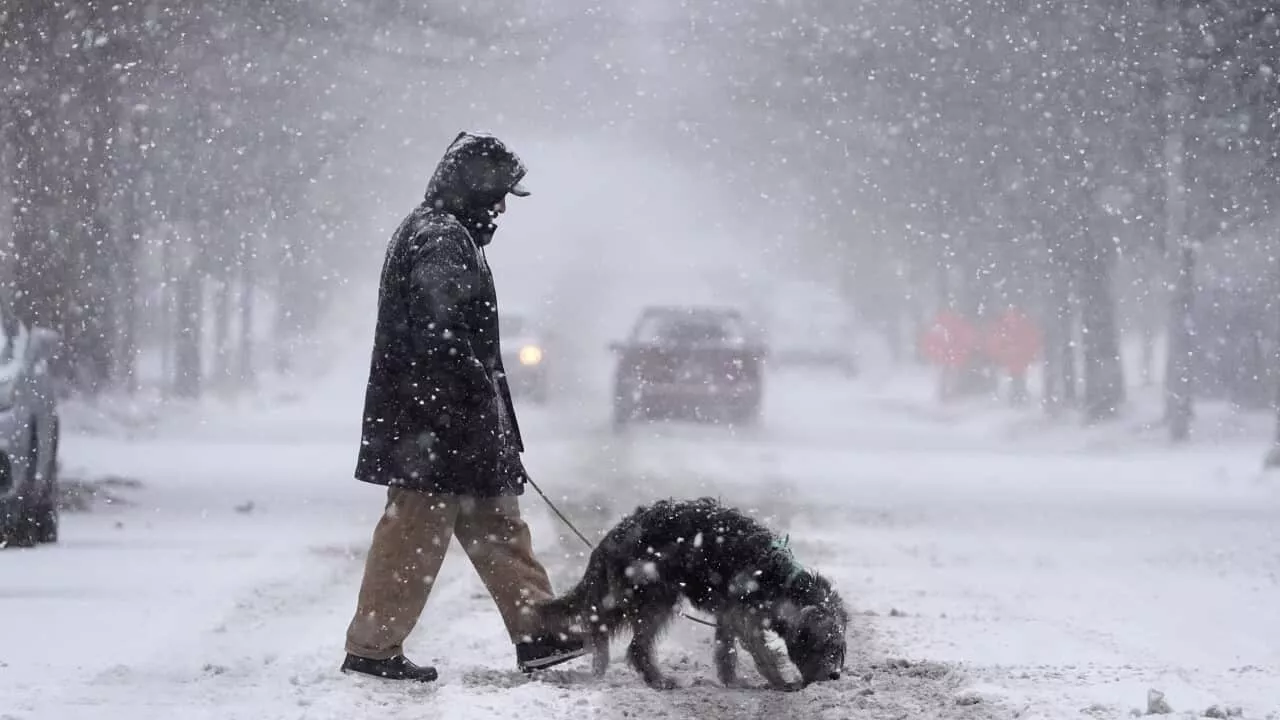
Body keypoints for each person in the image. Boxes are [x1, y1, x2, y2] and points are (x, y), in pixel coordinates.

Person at [341, 132, 587, 682]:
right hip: (433, 424)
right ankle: (373, 648)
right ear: (470, 189)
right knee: (414, 533)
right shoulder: (439, 238)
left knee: (497, 523)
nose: (501, 208)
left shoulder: (447, 233)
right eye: (496, 194)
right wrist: (472, 397)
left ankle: (539, 632)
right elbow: (440, 331)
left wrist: (486, 414)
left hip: (452, 421)